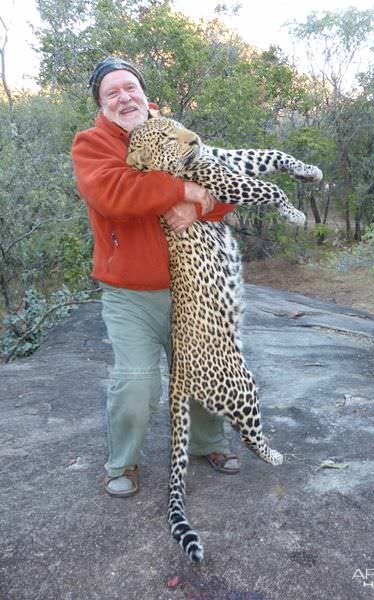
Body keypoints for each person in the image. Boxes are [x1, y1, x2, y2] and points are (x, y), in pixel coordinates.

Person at [71, 57, 241, 498]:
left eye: (130, 88)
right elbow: (116, 194)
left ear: (145, 95)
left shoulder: (175, 133)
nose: (124, 97)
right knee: (137, 380)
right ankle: (122, 461)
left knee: (204, 369)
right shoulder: (92, 144)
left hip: (191, 285)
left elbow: (225, 185)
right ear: (101, 104)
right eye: (112, 92)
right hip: (130, 294)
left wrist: (200, 203)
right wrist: (182, 189)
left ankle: (209, 444)